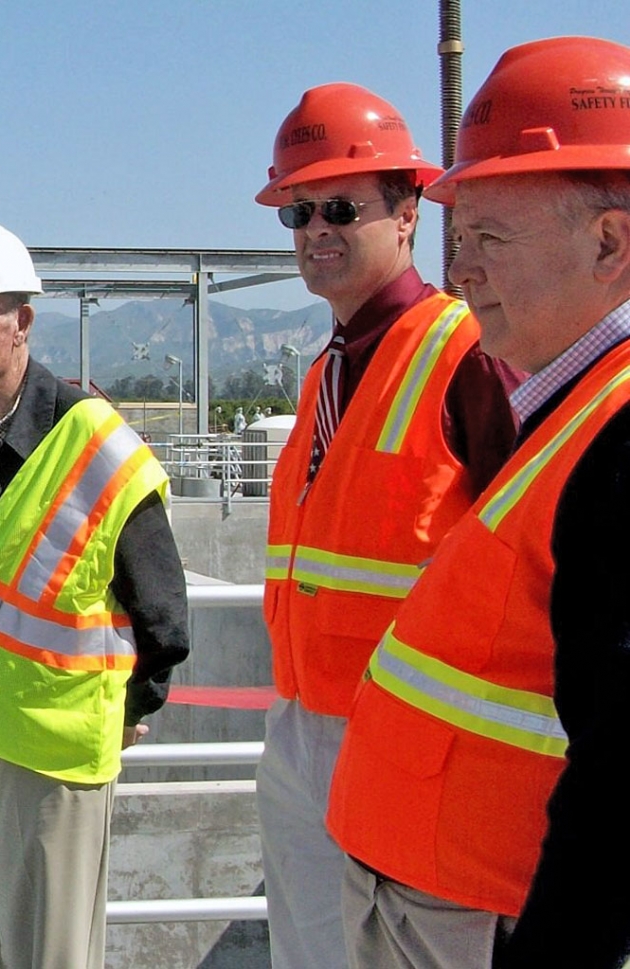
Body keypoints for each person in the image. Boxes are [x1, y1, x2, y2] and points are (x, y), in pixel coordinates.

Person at [327, 36, 630, 969]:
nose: (463, 273)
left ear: (610, 243)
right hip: (437, 900)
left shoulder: (618, 440)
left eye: (490, 237)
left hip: (490, 918)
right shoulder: (572, 412)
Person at [253, 83, 521, 969]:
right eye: (298, 211)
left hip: (410, 741)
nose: (315, 229)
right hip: (301, 731)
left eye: (340, 207)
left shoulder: (464, 355)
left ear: (408, 213)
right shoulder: (323, 377)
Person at [0, 220, 190, 969]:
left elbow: (163, 611)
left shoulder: (95, 443)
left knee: (48, 955)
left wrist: (130, 710)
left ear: (22, 322)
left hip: (49, 753)